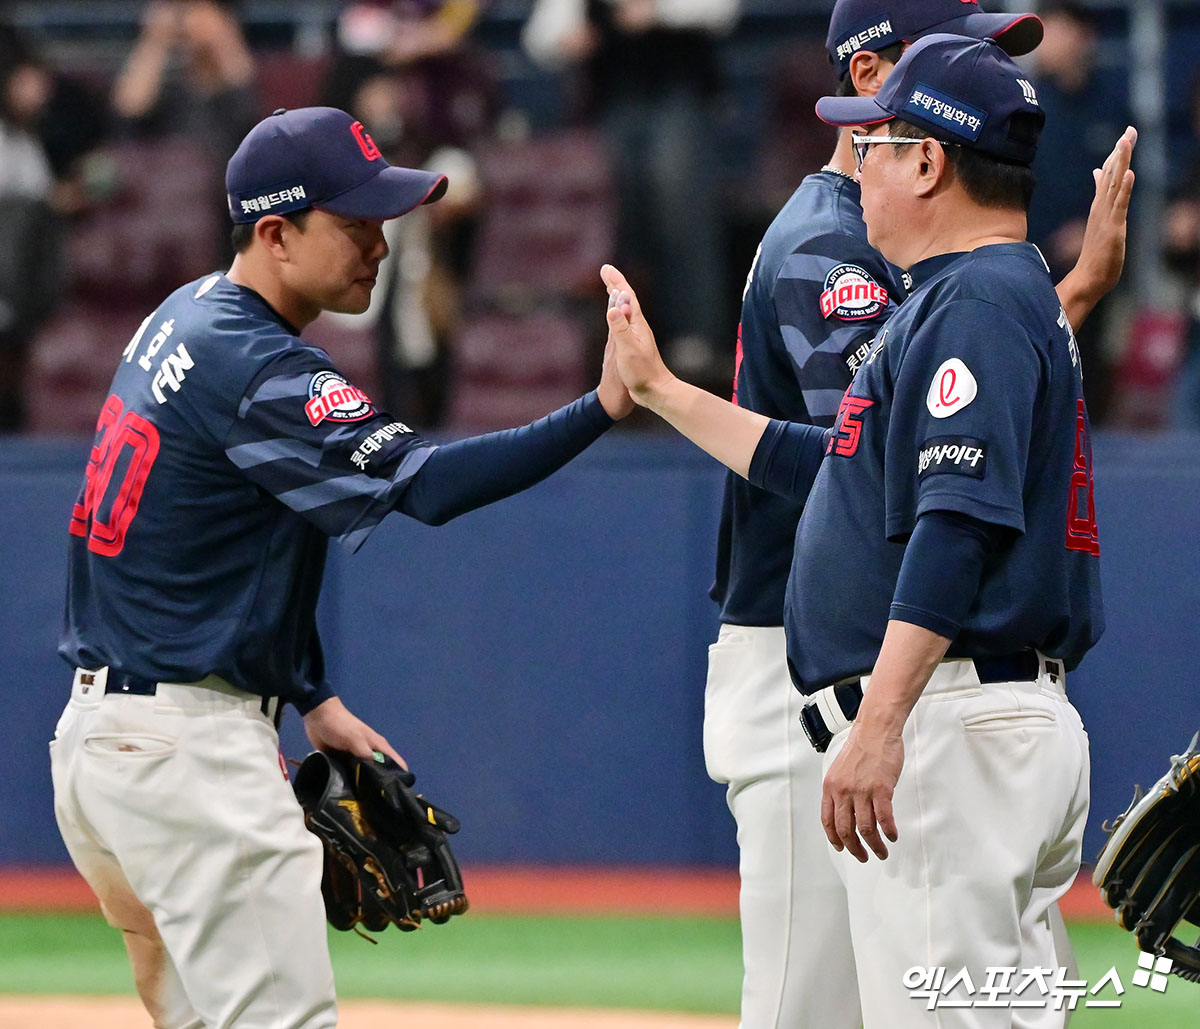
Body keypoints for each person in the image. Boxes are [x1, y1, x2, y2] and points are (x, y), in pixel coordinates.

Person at [50, 106, 633, 1029]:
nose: (381, 244)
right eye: (355, 224)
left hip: (104, 746)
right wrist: (603, 404)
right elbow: (430, 485)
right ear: (276, 233)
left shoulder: (185, 316)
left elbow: (221, 540)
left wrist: (310, 696)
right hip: (188, 756)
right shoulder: (258, 363)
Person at [603, 31, 1128, 1028]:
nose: (861, 164)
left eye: (881, 144)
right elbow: (845, 470)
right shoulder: (978, 300)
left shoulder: (970, 305)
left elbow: (954, 523)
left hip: (953, 716)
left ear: (930, 162)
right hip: (988, 712)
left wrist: (880, 720)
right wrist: (663, 392)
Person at [523, 0, 740, 389]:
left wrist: (657, 11)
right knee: (610, 221)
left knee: (682, 210)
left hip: (679, 95)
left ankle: (694, 339)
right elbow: (543, 36)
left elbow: (720, 10)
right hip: (611, 103)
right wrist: (569, 38)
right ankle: (614, 339)